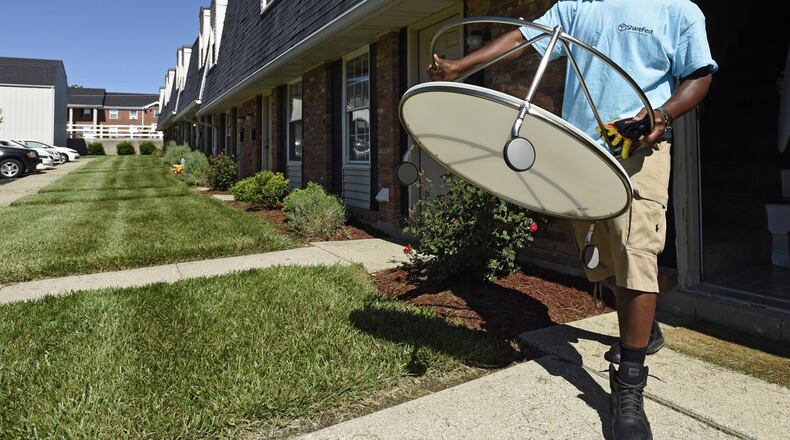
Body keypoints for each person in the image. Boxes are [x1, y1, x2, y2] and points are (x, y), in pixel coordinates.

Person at [428, 1, 717, 439]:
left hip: (638, 150)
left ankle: (629, 388)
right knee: (602, 261)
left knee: (635, 253)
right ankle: (646, 328)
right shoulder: (579, 5)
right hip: (581, 151)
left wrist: (661, 114)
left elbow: (698, 75)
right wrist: (459, 66)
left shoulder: (678, 10)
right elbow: (523, 35)